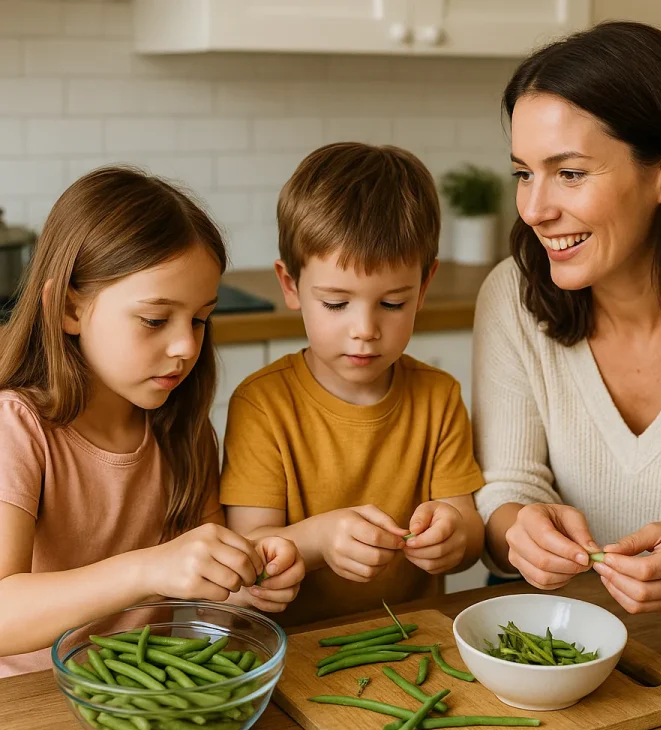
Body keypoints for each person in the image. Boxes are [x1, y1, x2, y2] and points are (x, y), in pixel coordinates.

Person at [476, 21, 661, 613]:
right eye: (524, 173)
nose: (534, 210)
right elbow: (507, 491)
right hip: (560, 634)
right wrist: (518, 531)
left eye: (570, 173)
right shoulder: (512, 294)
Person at [0, 167, 304, 677]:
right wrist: (149, 567)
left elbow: (205, 600)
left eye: (200, 319)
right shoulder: (16, 429)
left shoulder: (184, 431)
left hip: (148, 698)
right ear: (69, 308)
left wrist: (247, 580)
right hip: (31, 704)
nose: (186, 345)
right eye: (155, 320)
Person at [221, 142, 485, 626]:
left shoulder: (439, 396)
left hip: (413, 638)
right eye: (336, 304)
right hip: (299, 647)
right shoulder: (262, 404)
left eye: (392, 303)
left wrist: (454, 537)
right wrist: (318, 541)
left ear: (424, 288)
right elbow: (250, 550)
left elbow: (468, 533)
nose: (365, 330)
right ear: (290, 285)